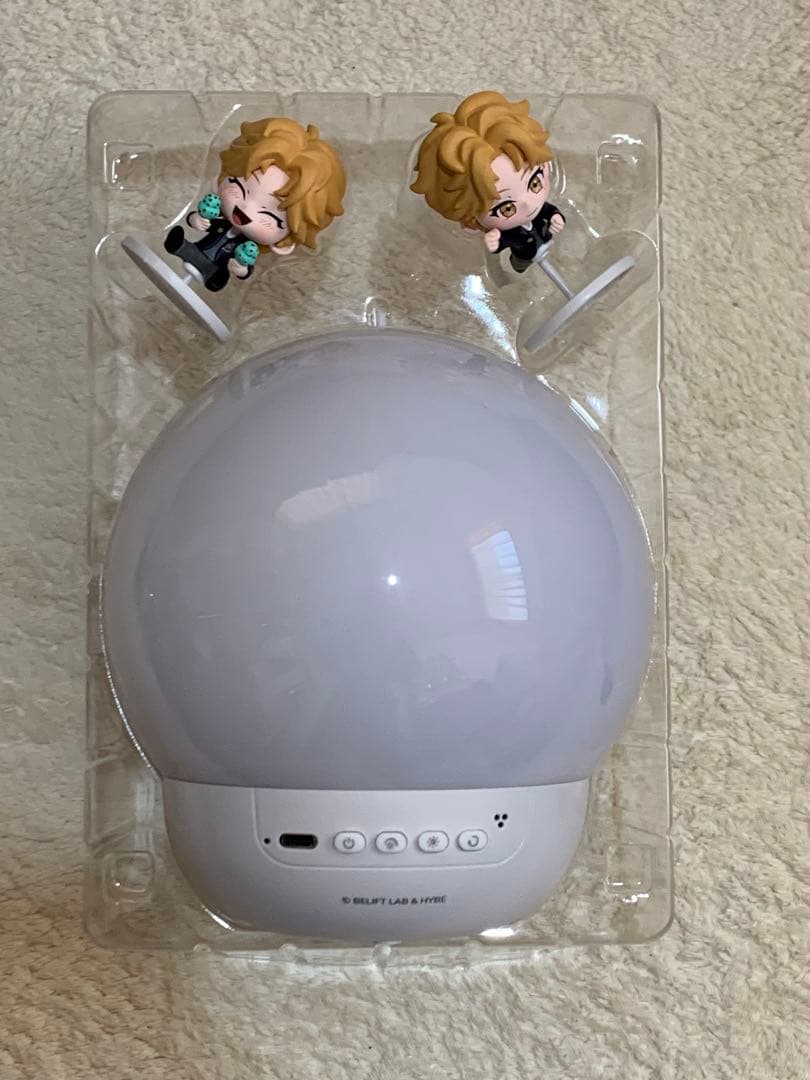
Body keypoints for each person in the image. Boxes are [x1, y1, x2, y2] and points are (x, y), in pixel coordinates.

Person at [164, 116, 346, 292]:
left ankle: (215, 277)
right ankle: (179, 246)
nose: (246, 209)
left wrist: (240, 268)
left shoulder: (246, 248)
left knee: (217, 275)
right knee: (186, 247)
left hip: (216, 266)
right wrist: (196, 219)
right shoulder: (221, 220)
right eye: (240, 188)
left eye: (270, 215)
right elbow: (199, 221)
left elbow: (246, 269)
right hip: (197, 250)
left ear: (286, 243)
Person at [411, 91, 565, 274]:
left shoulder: (539, 210)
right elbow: (504, 240)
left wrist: (556, 217)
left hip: (546, 241)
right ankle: (519, 266)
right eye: (507, 208)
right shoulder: (503, 229)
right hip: (523, 254)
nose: (526, 203)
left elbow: (549, 210)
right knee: (520, 265)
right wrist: (495, 240)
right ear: (468, 217)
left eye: (535, 184)